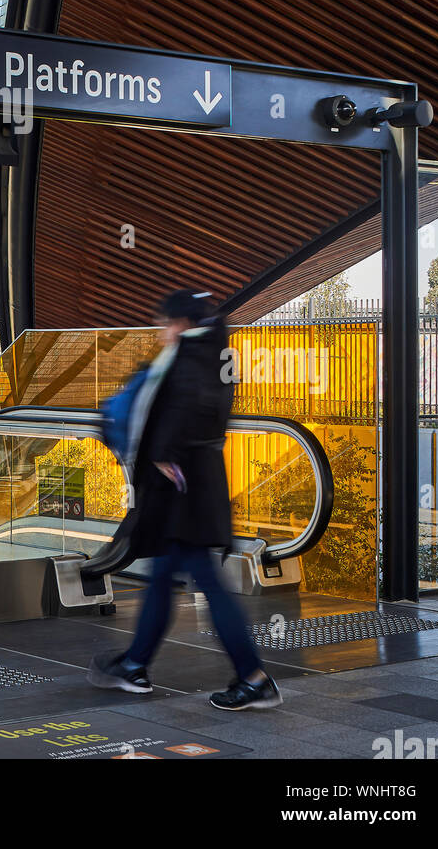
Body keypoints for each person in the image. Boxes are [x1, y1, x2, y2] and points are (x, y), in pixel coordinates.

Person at [89, 289, 281, 711]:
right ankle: (136, 664)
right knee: (164, 579)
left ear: (182, 324)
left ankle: (253, 677)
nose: (161, 334)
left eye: (165, 324)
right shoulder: (215, 353)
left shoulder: (192, 358)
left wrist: (163, 453)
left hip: (186, 493)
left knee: (209, 585)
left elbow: (190, 406)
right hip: (193, 491)